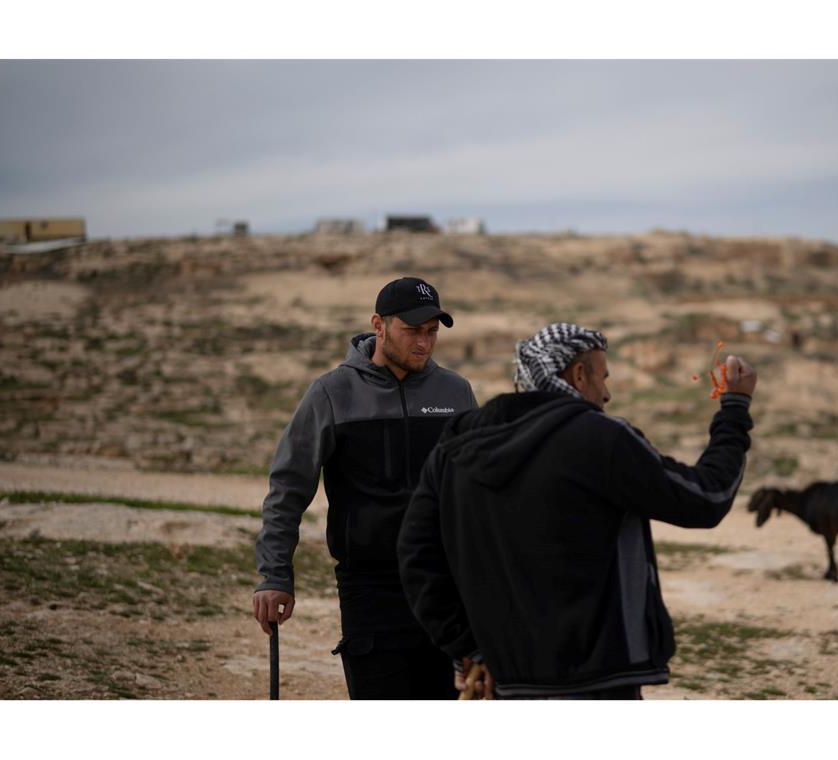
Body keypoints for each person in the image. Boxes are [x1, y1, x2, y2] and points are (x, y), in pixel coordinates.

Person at [397, 322, 756, 699]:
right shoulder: (602, 439)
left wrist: (467, 647)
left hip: (504, 679)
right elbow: (705, 498)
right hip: (598, 680)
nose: (607, 394)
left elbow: (416, 555)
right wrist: (734, 409)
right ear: (579, 374)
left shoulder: (456, 447)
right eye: (603, 377)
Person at [253, 276, 477, 699]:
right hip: (369, 585)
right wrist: (274, 576)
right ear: (378, 325)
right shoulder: (331, 393)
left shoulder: (456, 392)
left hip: (444, 584)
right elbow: (287, 489)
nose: (424, 344)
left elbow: (476, 492)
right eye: (412, 330)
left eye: (431, 333)